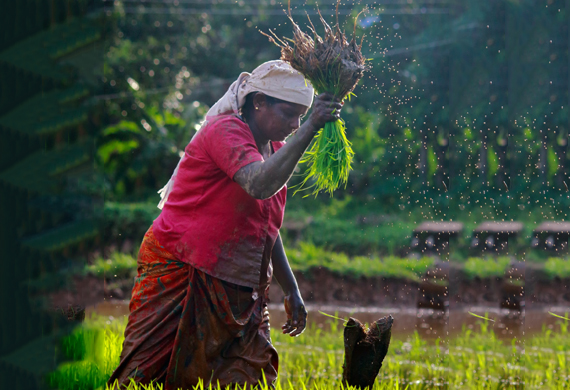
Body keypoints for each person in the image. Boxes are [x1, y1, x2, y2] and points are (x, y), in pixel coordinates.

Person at [107, 60, 342, 390]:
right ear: (258, 102)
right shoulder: (224, 131)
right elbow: (259, 185)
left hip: (242, 285)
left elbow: (265, 227)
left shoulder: (273, 149)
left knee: (252, 378)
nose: (295, 123)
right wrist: (311, 127)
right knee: (149, 376)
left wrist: (291, 288)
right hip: (184, 267)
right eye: (289, 113)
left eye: (301, 115)